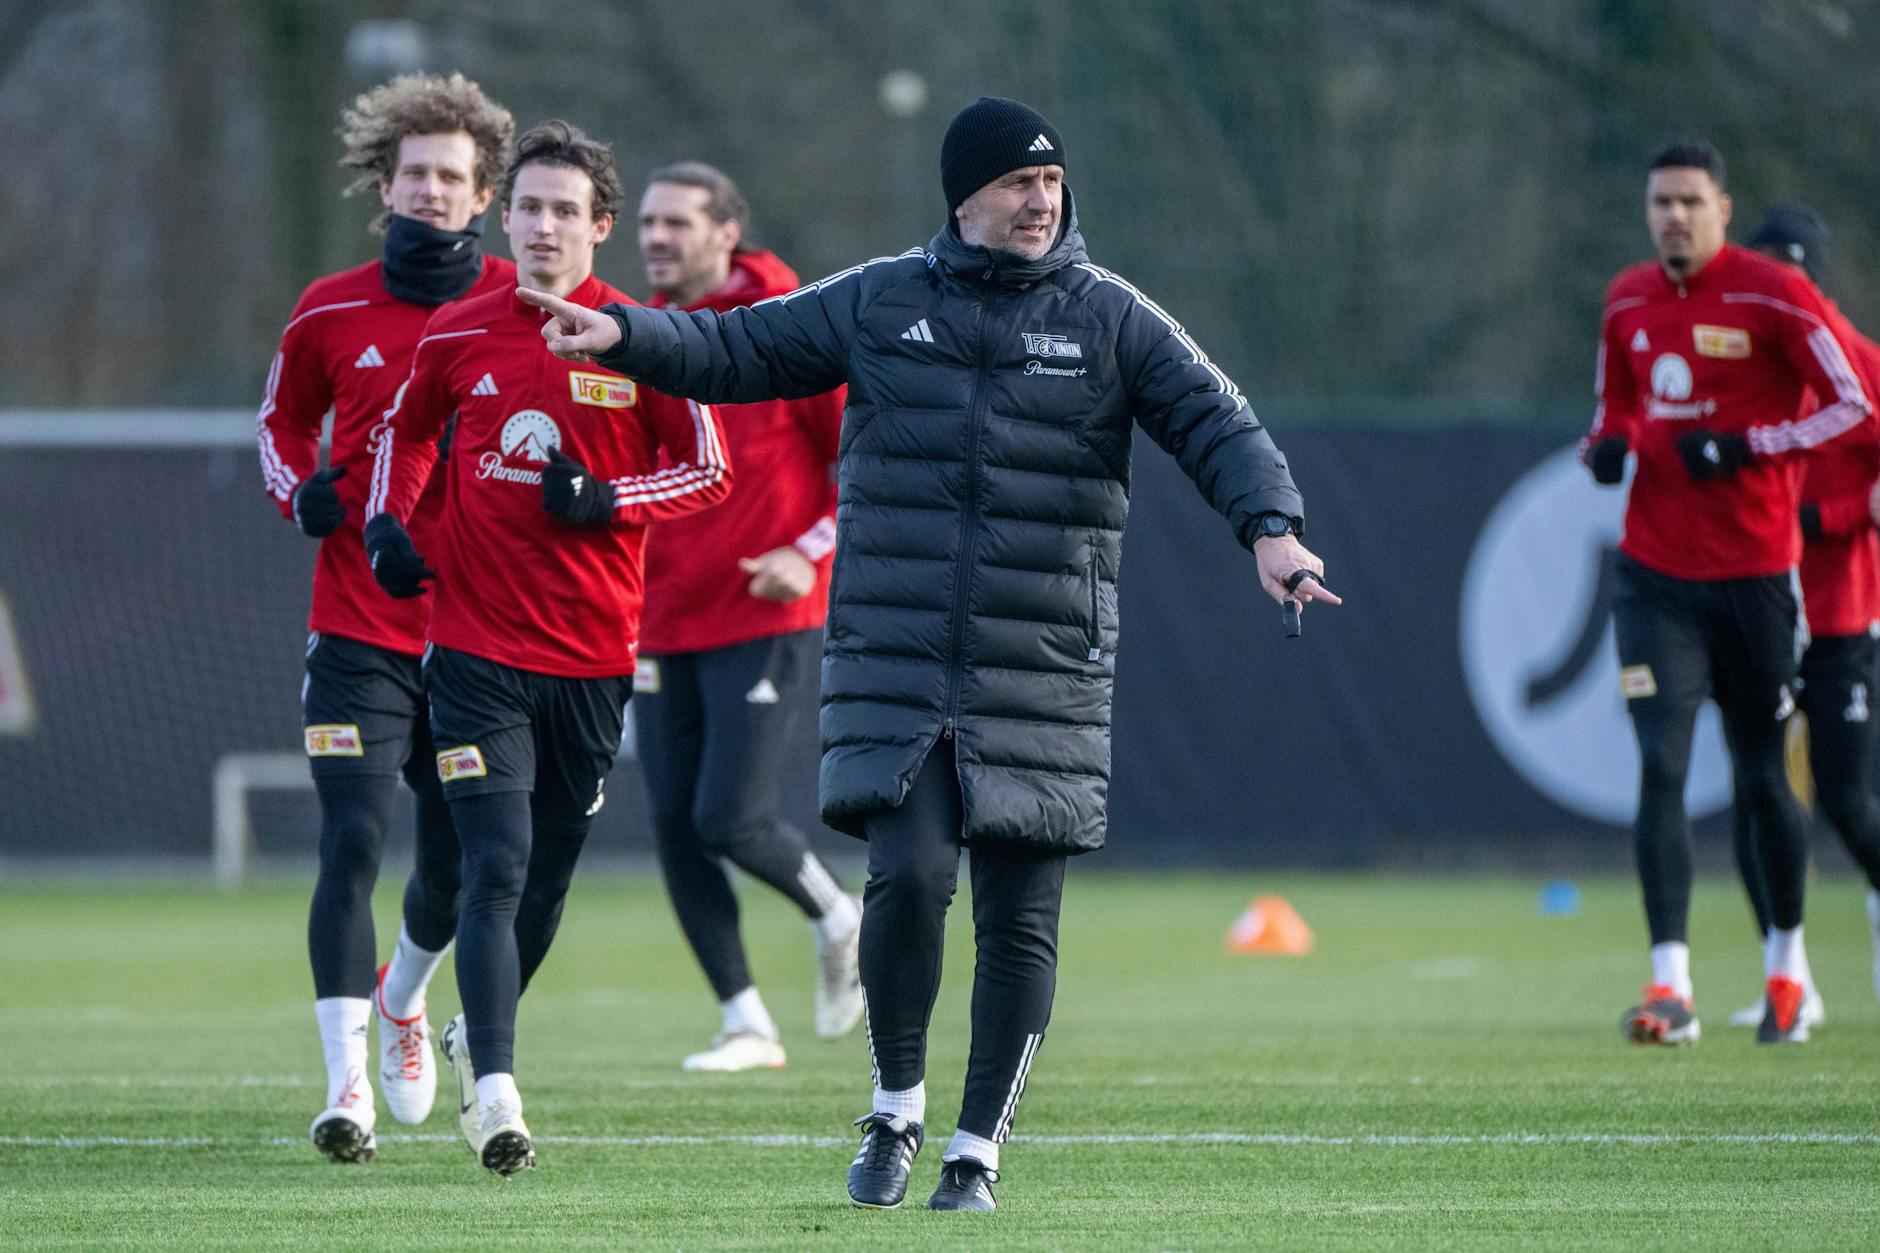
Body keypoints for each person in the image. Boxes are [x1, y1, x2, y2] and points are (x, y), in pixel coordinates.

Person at [523, 96, 1338, 1212]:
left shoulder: (1109, 315)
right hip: (896, 660)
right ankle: (895, 1105)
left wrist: (1270, 528)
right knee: (906, 878)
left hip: (1043, 663)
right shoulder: (880, 297)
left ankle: (974, 1149)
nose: (1039, 200)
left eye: (1051, 182)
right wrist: (624, 332)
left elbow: (1217, 423)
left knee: (1018, 917)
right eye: (1016, 183)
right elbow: (733, 347)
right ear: (964, 196)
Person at [363, 120, 731, 1174]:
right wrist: (393, 521)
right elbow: (403, 432)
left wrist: (610, 496)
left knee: (546, 883)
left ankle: (454, 1020)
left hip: (594, 661)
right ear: (503, 216)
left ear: (598, 228)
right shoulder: (459, 328)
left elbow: (706, 470)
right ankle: (498, 1094)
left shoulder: (642, 339)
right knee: (493, 864)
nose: (542, 225)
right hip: (472, 651)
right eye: (526, 206)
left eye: (564, 210)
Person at [254, 72, 515, 1164]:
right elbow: (279, 425)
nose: (431, 192)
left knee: (454, 861)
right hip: (355, 627)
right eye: (413, 175)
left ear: (484, 192)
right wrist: (299, 492)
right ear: (384, 185)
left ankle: (405, 996)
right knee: (352, 839)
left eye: (452, 177)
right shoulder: (329, 305)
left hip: (474, 635)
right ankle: (346, 1085)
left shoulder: (519, 300)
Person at [1581, 143, 1872, 1048]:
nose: (1674, 215)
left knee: (1760, 772)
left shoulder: (1770, 293)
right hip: (1654, 576)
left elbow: (1855, 404)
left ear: (1722, 208)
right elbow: (1614, 404)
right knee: (1662, 763)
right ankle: (1671, 984)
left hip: (1754, 578)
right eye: (1661, 200)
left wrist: (1753, 444)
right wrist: (1610, 445)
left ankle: (1787, 967)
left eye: (1690, 201)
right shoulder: (1627, 296)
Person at [631, 162, 861, 1073]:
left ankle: (841, 915)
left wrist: (805, 552)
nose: (655, 237)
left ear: (728, 231)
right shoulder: (641, 329)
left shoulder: (789, 324)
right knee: (672, 825)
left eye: (677, 222)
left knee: (730, 815)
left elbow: (861, 466)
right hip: (658, 617)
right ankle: (745, 1023)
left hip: (767, 612)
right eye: (647, 222)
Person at [1727, 203, 1880, 1027]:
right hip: (1756, 606)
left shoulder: (1856, 361)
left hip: (1841, 614)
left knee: (1849, 801)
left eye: (1795, 274)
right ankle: (1788, 977)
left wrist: (1832, 518)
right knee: (1758, 796)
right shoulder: (1740, 368)